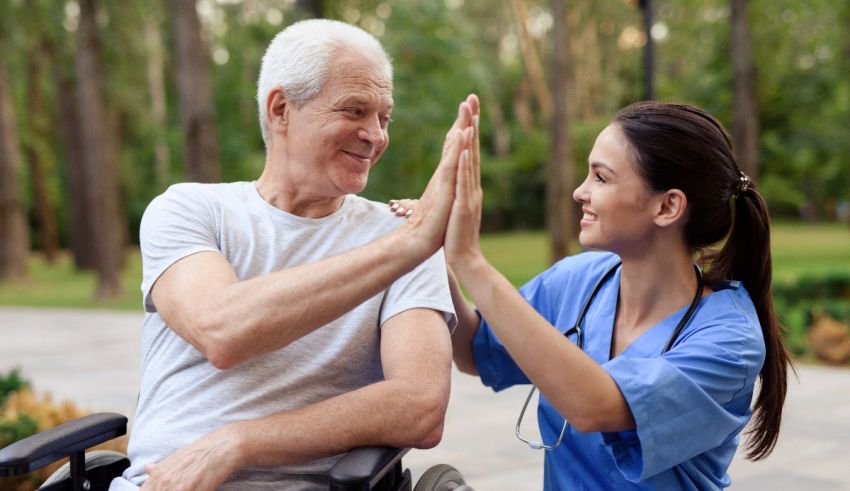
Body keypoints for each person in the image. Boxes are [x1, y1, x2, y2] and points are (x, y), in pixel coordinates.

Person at [111, 19, 478, 491]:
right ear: (281, 108)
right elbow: (221, 330)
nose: (375, 135)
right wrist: (408, 245)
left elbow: (421, 406)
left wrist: (239, 442)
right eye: (355, 111)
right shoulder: (188, 210)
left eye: (384, 117)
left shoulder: (403, 235)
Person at [394, 98, 792, 489]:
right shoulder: (578, 279)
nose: (579, 192)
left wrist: (470, 261)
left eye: (600, 178)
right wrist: (435, 255)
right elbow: (474, 350)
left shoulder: (730, 342)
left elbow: (593, 406)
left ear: (668, 206)